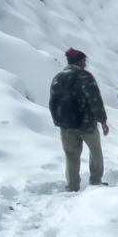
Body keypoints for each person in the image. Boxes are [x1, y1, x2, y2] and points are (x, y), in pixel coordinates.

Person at [48, 48, 109, 192]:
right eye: (84, 61)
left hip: (66, 125)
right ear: (79, 61)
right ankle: (95, 181)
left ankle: (72, 186)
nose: (86, 64)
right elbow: (95, 100)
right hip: (86, 124)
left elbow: (52, 101)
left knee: (71, 156)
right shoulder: (85, 76)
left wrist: (59, 121)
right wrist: (103, 120)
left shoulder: (57, 77)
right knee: (95, 152)